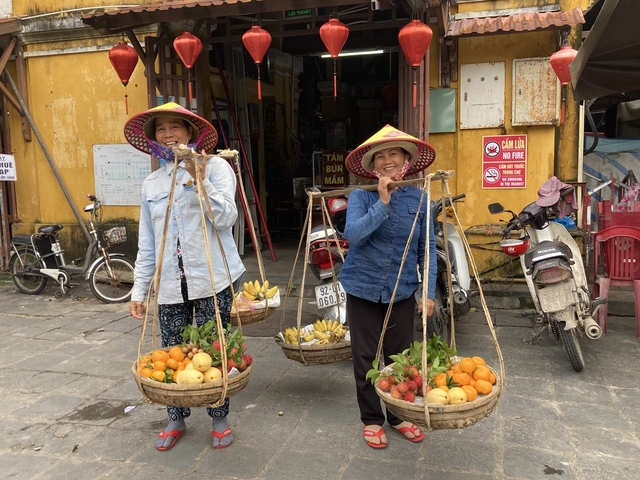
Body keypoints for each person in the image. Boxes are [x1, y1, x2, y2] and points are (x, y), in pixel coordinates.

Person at [124, 102, 245, 451]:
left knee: (212, 353)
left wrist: (200, 178)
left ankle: (219, 418)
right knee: (173, 354)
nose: (168, 134)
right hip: (169, 287)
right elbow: (148, 243)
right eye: (160, 129)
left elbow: (226, 220)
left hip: (213, 279)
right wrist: (138, 289)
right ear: (154, 139)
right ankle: (175, 419)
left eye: (175, 126)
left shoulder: (217, 167)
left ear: (190, 133)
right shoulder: (151, 183)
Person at [339, 124, 438, 449]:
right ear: (372, 166)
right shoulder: (360, 196)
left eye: (393, 153)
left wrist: (428, 291)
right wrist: (381, 204)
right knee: (365, 357)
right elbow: (353, 236)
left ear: (406, 159)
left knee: (400, 358)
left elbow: (427, 249)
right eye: (379, 157)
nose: (387, 161)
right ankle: (371, 419)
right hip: (362, 288)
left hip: (402, 290)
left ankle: (397, 414)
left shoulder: (421, 199)